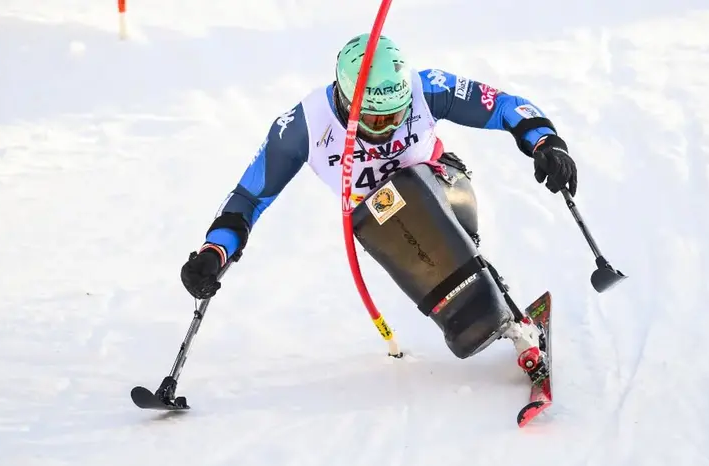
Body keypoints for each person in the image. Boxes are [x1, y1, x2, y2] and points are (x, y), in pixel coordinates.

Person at [179, 33, 577, 383]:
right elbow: (248, 198)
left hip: (446, 187)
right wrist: (215, 251)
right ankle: (477, 314)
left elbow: (503, 105)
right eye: (375, 118)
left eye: (396, 116)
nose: (387, 127)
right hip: (391, 225)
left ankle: (493, 312)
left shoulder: (426, 87)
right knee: (386, 207)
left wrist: (546, 144)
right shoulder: (303, 125)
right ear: (345, 99)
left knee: (405, 194)